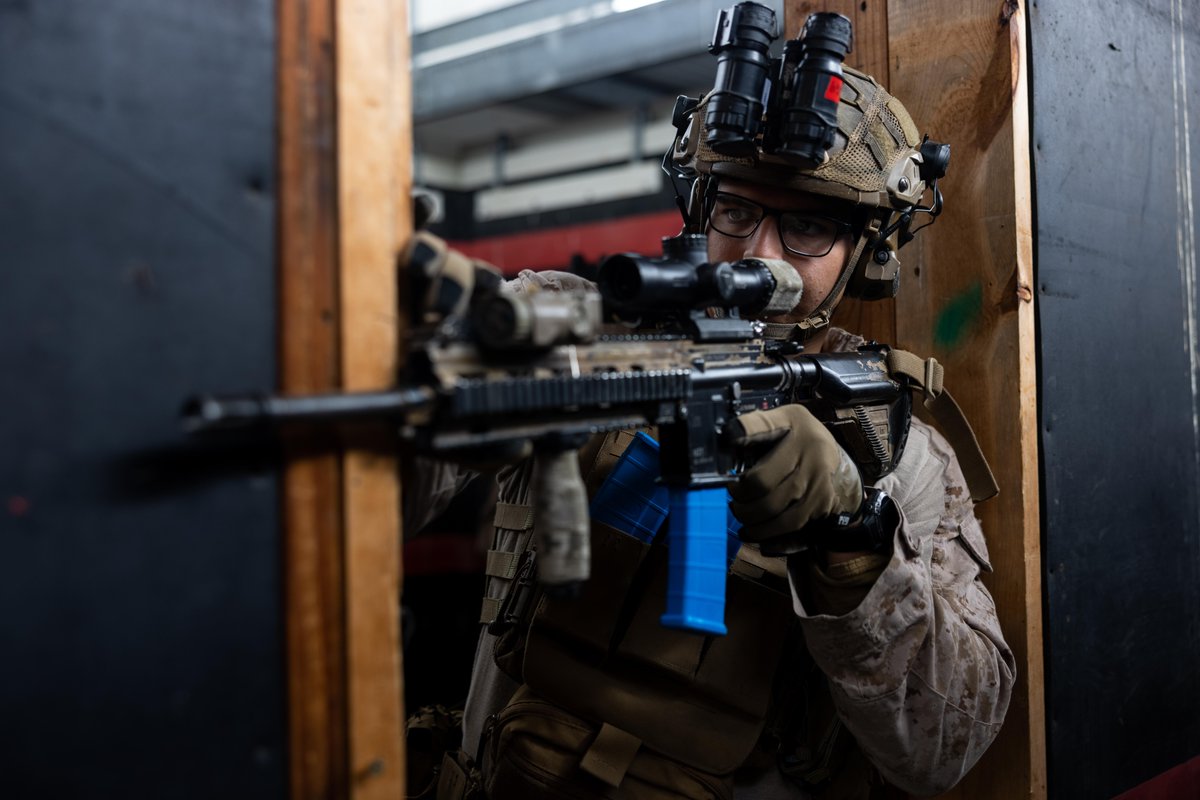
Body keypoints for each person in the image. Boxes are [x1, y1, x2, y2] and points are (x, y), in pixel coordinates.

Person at [406, 16, 1015, 799]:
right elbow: (367, 506)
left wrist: (851, 540)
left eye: (806, 227)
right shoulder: (571, 325)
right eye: (735, 210)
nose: (759, 253)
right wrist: (437, 387)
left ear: (865, 249)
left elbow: (946, 750)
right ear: (699, 207)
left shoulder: (902, 453)